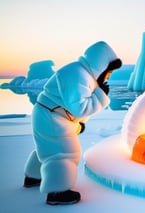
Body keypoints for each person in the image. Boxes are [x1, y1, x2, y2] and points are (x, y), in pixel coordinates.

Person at [23, 41, 122, 205]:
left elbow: (71, 104)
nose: (109, 75)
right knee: (64, 152)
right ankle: (58, 191)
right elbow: (80, 108)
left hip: (49, 114)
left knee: (48, 147)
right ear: (100, 66)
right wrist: (100, 96)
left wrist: (78, 124)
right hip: (52, 117)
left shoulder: (80, 72)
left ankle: (34, 176)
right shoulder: (77, 75)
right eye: (109, 71)